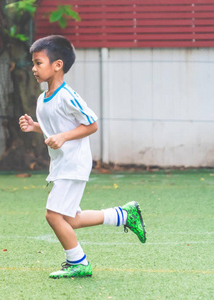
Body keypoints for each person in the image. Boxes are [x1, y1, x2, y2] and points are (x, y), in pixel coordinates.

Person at [19, 35, 146, 278]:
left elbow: (91, 124)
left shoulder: (68, 95)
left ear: (57, 65)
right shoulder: (42, 99)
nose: (33, 69)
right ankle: (123, 214)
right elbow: (54, 129)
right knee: (71, 219)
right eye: (33, 63)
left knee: (53, 216)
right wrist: (34, 126)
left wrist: (65, 137)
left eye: (38, 63)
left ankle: (78, 262)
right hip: (61, 165)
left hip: (73, 163)